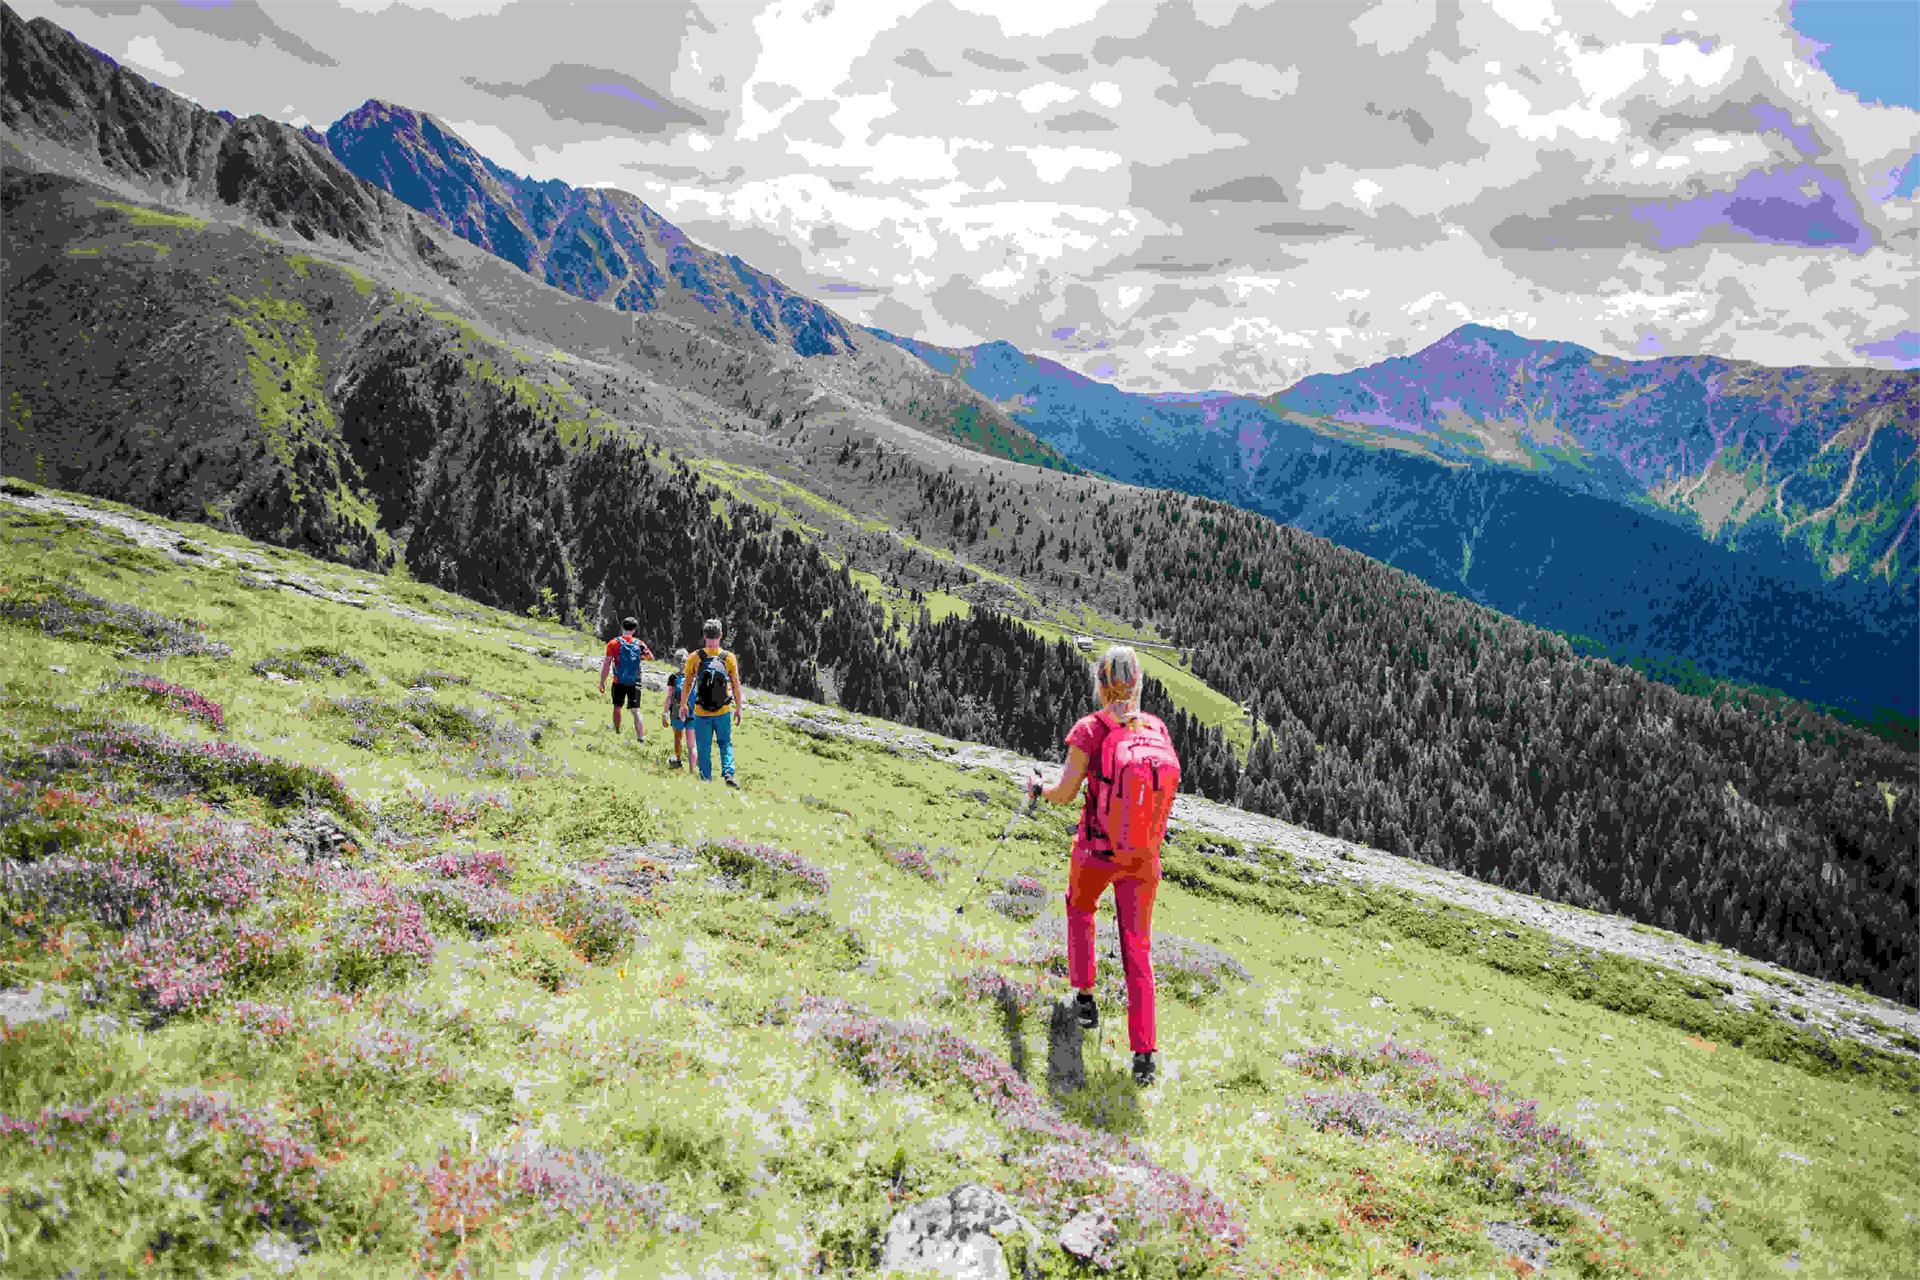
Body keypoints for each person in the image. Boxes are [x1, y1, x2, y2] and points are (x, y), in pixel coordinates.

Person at [1027, 646, 1180, 1088]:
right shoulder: (1156, 728)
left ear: (1098, 683)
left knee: (1080, 908)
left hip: (1097, 852)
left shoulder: (1089, 730)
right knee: (1138, 949)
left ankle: (1086, 996)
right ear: (1139, 685)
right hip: (1143, 859)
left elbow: (1065, 793)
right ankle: (1144, 1055)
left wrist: (1038, 788)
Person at [678, 618, 743, 787]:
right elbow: (736, 686)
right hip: (723, 711)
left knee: (703, 746)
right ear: (721, 635)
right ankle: (728, 773)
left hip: (701, 711)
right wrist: (739, 708)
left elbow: (687, 683)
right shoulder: (728, 658)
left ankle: (706, 780)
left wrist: (684, 704)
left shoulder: (695, 657)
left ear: (704, 635)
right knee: (725, 743)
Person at [597, 617, 653, 741]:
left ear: (622, 627)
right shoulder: (639, 643)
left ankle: (617, 731)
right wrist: (639, 658)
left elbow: (606, 664)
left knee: (617, 707)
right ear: (634, 629)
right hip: (635, 681)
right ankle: (640, 737)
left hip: (618, 681)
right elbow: (650, 657)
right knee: (636, 710)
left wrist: (602, 682)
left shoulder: (613, 643)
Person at [661, 647, 693, 770]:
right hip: (691, 712)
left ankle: (678, 761)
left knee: (678, 738)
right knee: (691, 742)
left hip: (676, 711)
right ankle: (692, 767)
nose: (681, 663)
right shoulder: (694, 676)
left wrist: (665, 712)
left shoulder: (673, 677)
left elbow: (669, 696)